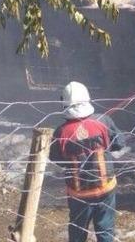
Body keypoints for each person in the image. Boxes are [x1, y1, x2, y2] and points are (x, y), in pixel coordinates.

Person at [49, 82, 123, 242]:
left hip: (78, 194)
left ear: (64, 103)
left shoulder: (61, 131)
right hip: (105, 188)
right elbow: (119, 144)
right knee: (105, 231)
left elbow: (56, 159)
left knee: (77, 232)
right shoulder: (104, 121)